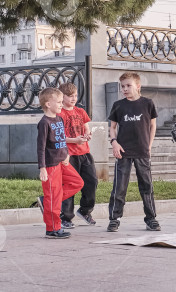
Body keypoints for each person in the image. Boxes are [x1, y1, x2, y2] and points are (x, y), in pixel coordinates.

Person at [107, 72, 159, 232]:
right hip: (123, 151)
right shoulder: (118, 105)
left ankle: (151, 218)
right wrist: (114, 143)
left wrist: (149, 146)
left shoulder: (147, 103)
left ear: (138, 86)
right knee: (120, 186)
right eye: (122, 86)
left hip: (142, 151)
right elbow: (112, 127)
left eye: (128, 85)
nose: (125, 89)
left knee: (146, 185)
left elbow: (152, 126)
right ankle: (114, 219)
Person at [36, 87, 84, 239]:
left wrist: (67, 153)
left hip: (63, 162)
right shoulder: (44, 123)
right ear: (48, 104)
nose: (61, 104)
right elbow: (41, 147)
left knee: (78, 183)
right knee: (54, 198)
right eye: (58, 102)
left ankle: (46, 202)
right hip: (50, 166)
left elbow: (62, 139)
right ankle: (52, 229)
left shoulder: (59, 118)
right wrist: (42, 168)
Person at [57, 83, 98, 228]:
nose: (73, 98)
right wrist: (75, 140)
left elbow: (86, 127)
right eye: (70, 96)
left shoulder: (80, 111)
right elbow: (58, 137)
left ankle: (85, 211)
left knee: (92, 182)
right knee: (70, 185)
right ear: (62, 97)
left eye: (75, 95)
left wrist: (87, 135)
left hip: (84, 153)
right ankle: (66, 217)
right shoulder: (59, 114)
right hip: (68, 155)